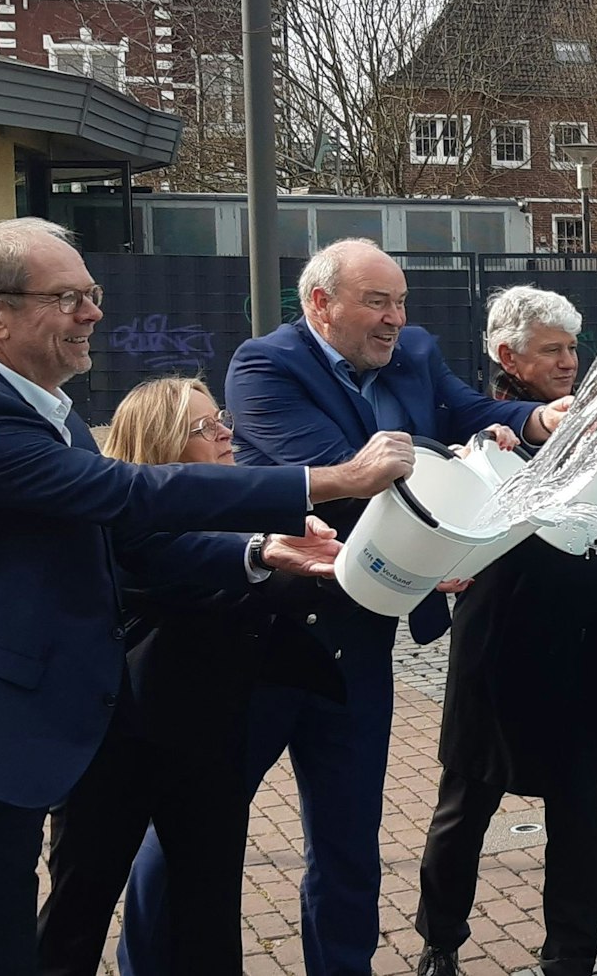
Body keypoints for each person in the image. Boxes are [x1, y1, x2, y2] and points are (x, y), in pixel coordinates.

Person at [0, 218, 412, 976]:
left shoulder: (48, 418)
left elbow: (129, 545)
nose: (93, 313)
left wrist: (260, 549)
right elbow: (131, 490)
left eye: (93, 293)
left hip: (37, 729)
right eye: (68, 297)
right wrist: (329, 479)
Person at [118, 238, 573, 976]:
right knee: (190, 833)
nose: (396, 319)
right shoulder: (266, 366)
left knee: (349, 844)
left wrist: (533, 423)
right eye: (377, 302)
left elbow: (471, 408)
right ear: (320, 305)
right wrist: (454, 469)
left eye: (400, 301)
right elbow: (348, 473)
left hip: (358, 637)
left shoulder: (416, 352)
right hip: (258, 642)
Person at [412, 286, 597, 976]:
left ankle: (571, 957)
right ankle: (440, 939)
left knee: (577, 810)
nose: (569, 362)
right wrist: (480, 456)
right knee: (465, 801)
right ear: (509, 357)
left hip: (584, 641)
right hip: (499, 642)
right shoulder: (480, 428)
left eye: (572, 347)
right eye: (552, 350)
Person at [36, 377, 348, 976]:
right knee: (79, 910)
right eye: (203, 427)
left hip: (209, 744)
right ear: (161, 447)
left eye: (221, 417)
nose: (226, 431)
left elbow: (287, 574)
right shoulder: (125, 524)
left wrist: (397, 567)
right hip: (115, 746)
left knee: (207, 917)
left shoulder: (250, 510)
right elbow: (195, 573)